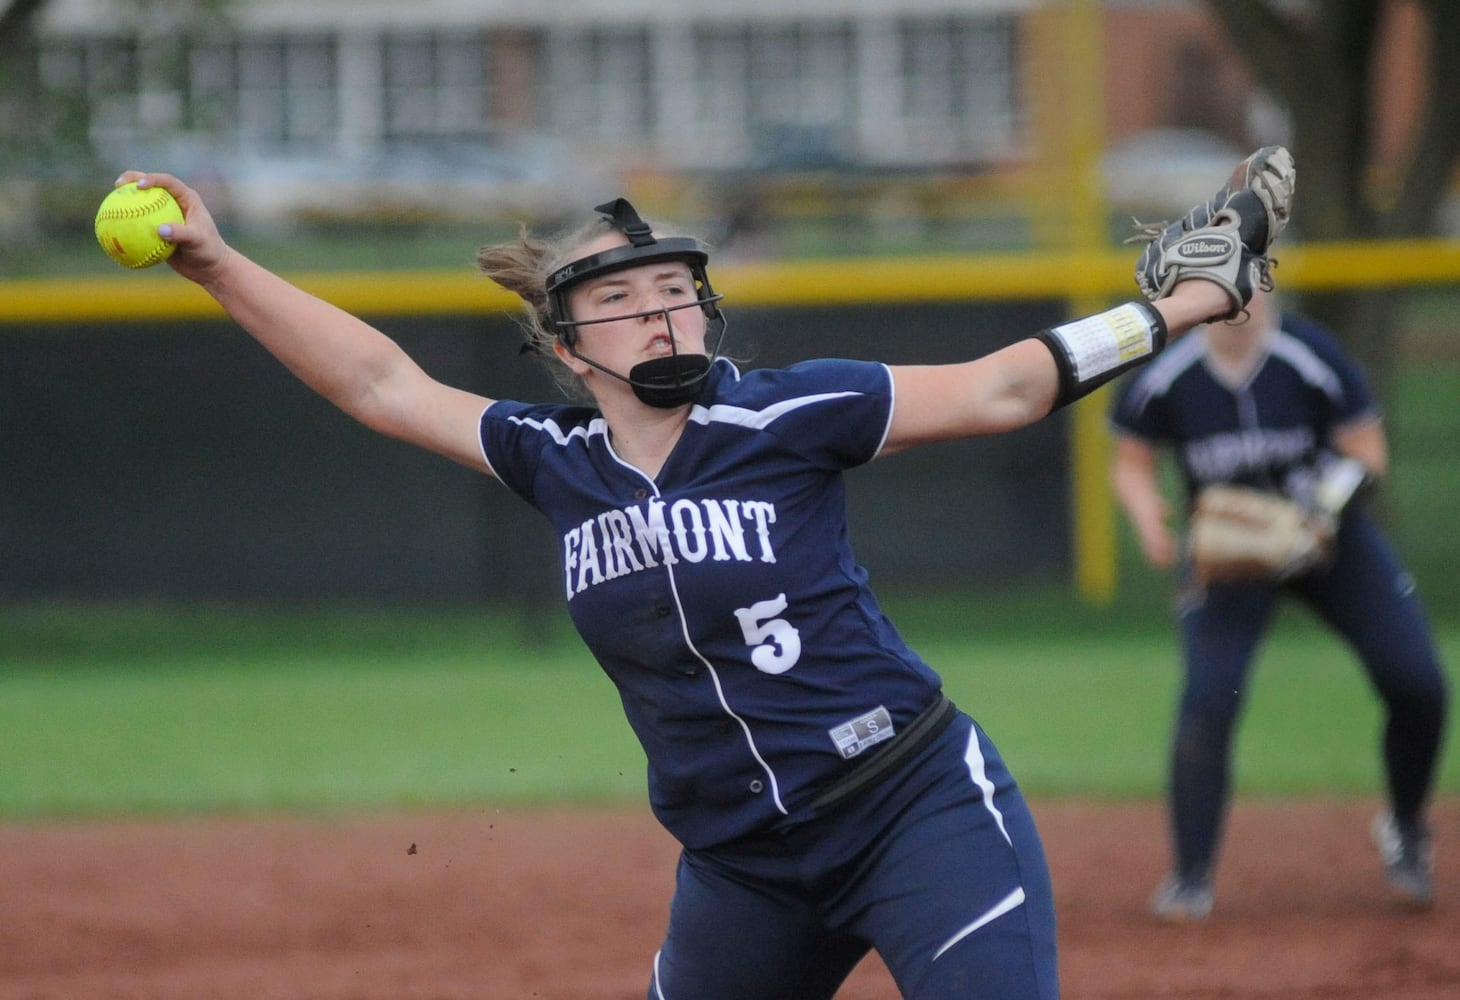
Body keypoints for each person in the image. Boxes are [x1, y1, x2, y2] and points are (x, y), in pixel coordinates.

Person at [117, 147, 1285, 999]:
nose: (658, 313)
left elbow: (1001, 388)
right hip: (742, 867)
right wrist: (218, 265)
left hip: (909, 807)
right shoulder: (556, 460)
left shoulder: (789, 411)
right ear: (568, 349)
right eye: (618, 301)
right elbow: (379, 385)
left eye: (674, 291)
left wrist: (1180, 299)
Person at [1109, 286, 1450, 922]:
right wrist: (1147, 515)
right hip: (1230, 556)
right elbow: (1131, 458)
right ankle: (1191, 875)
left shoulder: (1310, 353)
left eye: (1252, 274)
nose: (1241, 294)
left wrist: (1316, 512)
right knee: (1210, 696)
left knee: (1418, 681)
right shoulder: (1170, 372)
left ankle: (1405, 828)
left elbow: (1367, 452)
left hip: (1329, 544)